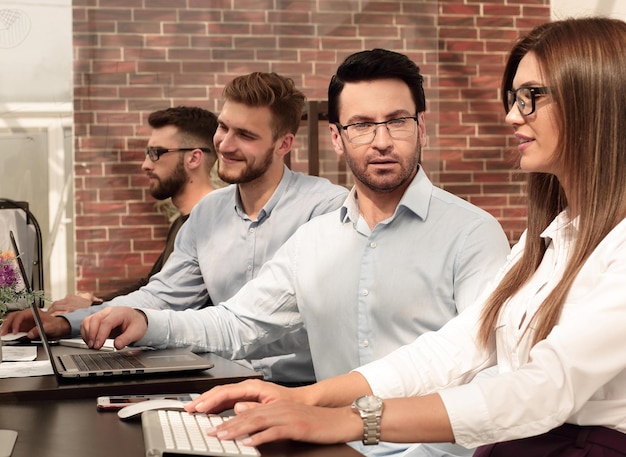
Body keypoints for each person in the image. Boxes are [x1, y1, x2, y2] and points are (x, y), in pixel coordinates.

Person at [176, 17, 626, 457]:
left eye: (531, 96)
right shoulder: (548, 238)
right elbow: (456, 347)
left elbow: (543, 388)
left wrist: (349, 419)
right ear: (337, 136)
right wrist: (307, 399)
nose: (511, 115)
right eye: (513, 97)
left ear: (596, 99)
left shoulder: (590, 240)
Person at [78, 49, 510, 456]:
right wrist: (146, 320)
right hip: (324, 444)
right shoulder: (315, 239)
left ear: (421, 128)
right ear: (337, 138)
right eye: (361, 124)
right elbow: (239, 322)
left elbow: (491, 374)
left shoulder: (473, 234)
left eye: (396, 121)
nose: (381, 141)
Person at [2, 71, 349, 385]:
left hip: (301, 390)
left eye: (245, 135)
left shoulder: (326, 209)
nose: (225, 145)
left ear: (283, 144)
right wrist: (66, 323)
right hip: (221, 380)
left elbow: (250, 324)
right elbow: (162, 297)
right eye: (224, 127)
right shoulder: (208, 212)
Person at [47, 106, 220, 316]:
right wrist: (97, 303)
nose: (145, 165)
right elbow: (151, 286)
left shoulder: (215, 225)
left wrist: (93, 310)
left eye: (156, 153)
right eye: (147, 153)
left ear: (193, 158)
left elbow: (171, 305)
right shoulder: (182, 222)